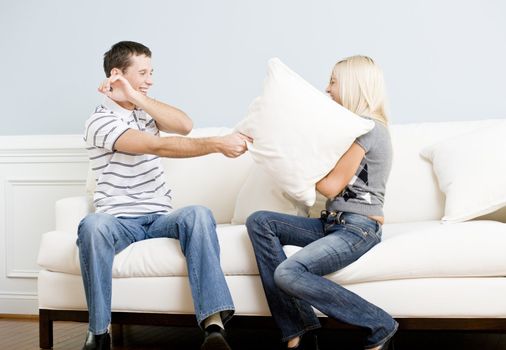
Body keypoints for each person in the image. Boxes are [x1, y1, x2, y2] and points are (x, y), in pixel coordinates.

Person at [78, 41, 251, 350]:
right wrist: (217, 144)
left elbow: (184, 125)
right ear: (117, 74)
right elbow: (155, 146)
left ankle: (213, 328)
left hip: (159, 216)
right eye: (142, 73)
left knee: (197, 213)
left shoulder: (145, 113)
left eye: (151, 72)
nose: (150, 80)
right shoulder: (99, 122)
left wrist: (135, 97)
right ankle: (99, 333)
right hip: (118, 221)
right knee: (92, 226)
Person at [246, 56, 397, 350]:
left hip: (359, 229)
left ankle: (381, 323)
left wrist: (286, 156)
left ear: (353, 86)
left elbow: (329, 186)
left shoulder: (369, 130)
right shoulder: (349, 129)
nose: (327, 88)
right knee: (260, 221)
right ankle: (297, 327)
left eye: (333, 81)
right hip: (332, 224)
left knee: (288, 273)